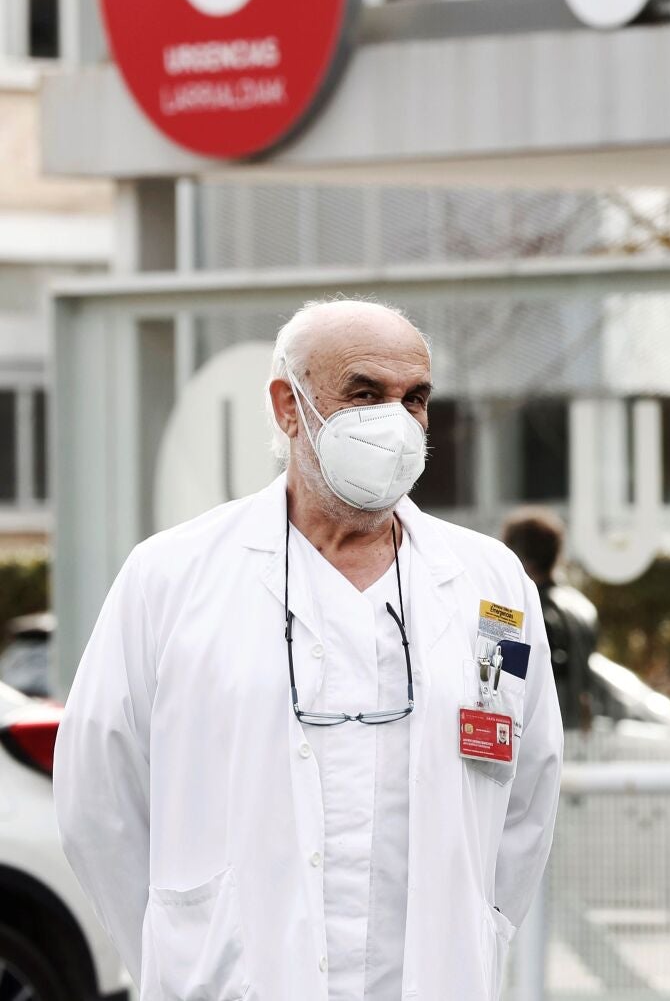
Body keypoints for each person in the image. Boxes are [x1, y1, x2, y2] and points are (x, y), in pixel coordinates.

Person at [55, 299, 563, 1001]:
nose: (396, 421)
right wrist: (180, 947)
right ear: (288, 405)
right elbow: (98, 797)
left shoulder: (492, 587)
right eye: (364, 393)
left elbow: (529, 783)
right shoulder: (170, 577)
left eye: (414, 399)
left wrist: (485, 925)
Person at [501, 509, 596, 733]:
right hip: (578, 730)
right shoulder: (583, 607)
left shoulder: (530, 611)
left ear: (520, 557)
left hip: (542, 731)